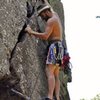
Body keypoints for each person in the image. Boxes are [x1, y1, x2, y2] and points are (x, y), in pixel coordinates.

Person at [25, 0, 63, 100]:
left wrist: (31, 32)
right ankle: (57, 97)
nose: (42, 18)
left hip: (54, 46)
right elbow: (50, 7)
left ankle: (50, 97)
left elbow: (46, 36)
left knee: (49, 71)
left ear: (46, 12)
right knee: (55, 74)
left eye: (42, 15)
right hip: (60, 47)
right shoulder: (56, 15)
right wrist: (45, 1)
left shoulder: (51, 21)